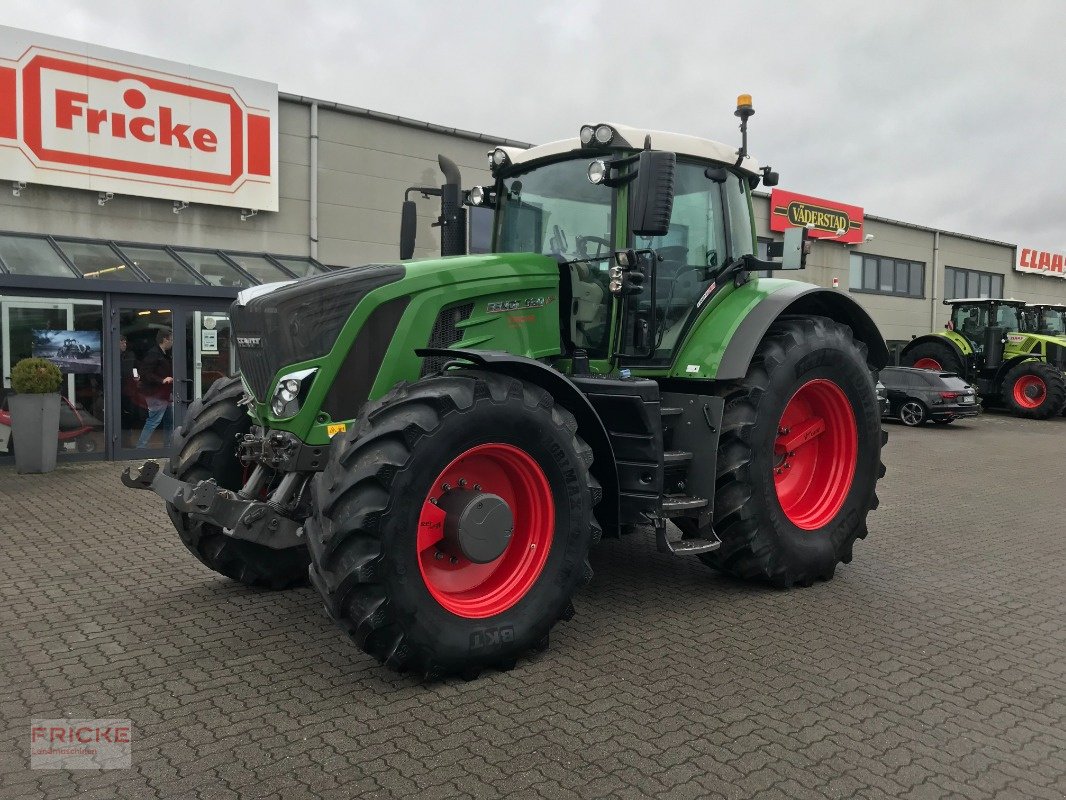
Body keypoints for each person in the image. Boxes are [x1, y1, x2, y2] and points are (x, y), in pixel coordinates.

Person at [136, 328, 174, 449]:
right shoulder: (154, 354)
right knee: (154, 420)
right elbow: (145, 373)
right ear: (164, 339)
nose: (173, 342)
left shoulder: (164, 354)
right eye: (171, 339)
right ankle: (141, 447)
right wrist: (162, 380)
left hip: (165, 393)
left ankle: (167, 445)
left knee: (169, 420)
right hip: (156, 393)